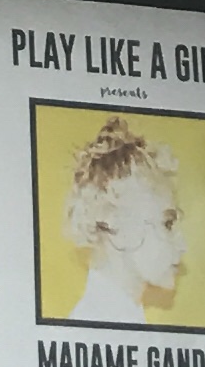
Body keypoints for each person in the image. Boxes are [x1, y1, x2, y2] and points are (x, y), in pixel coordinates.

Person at [59, 116, 191, 325]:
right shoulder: (98, 322)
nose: (183, 245)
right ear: (116, 222)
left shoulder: (121, 316)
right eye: (167, 224)